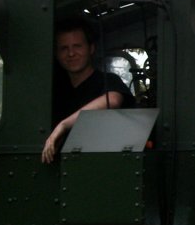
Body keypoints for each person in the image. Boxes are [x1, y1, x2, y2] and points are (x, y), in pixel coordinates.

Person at [41, 19, 135, 163]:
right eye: (64, 48)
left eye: (77, 46)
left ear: (91, 48)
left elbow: (113, 100)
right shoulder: (54, 89)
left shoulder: (108, 80)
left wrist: (63, 125)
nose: (71, 53)